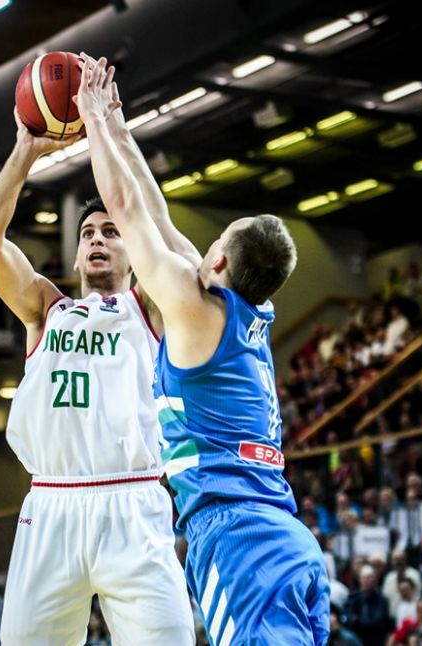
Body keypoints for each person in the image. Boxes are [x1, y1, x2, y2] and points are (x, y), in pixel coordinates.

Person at [76, 54, 329, 643]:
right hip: (284, 538)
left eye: (216, 238)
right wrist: (116, 125)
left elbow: (127, 211)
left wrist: (90, 119)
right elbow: (156, 211)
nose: (203, 245)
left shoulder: (194, 309)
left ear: (217, 260)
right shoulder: (239, 308)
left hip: (241, 539)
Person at [0, 63, 195, 644]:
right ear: (74, 257)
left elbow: (148, 217)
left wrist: (107, 128)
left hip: (135, 501)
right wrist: (25, 150)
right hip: (51, 504)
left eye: (111, 232)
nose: (97, 238)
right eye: (88, 233)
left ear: (134, 250)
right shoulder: (45, 309)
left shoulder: (152, 306)